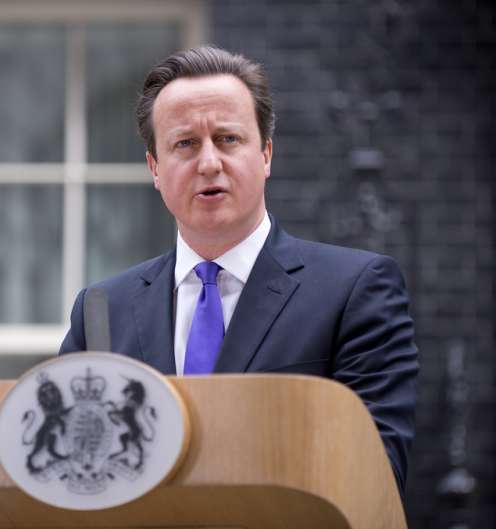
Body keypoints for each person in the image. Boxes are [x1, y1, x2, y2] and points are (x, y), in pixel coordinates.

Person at [59, 46, 419, 496]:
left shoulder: (355, 291)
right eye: (185, 144)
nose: (209, 162)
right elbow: (68, 478)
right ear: (155, 167)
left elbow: (374, 475)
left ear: (266, 155)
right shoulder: (100, 311)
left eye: (228, 139)